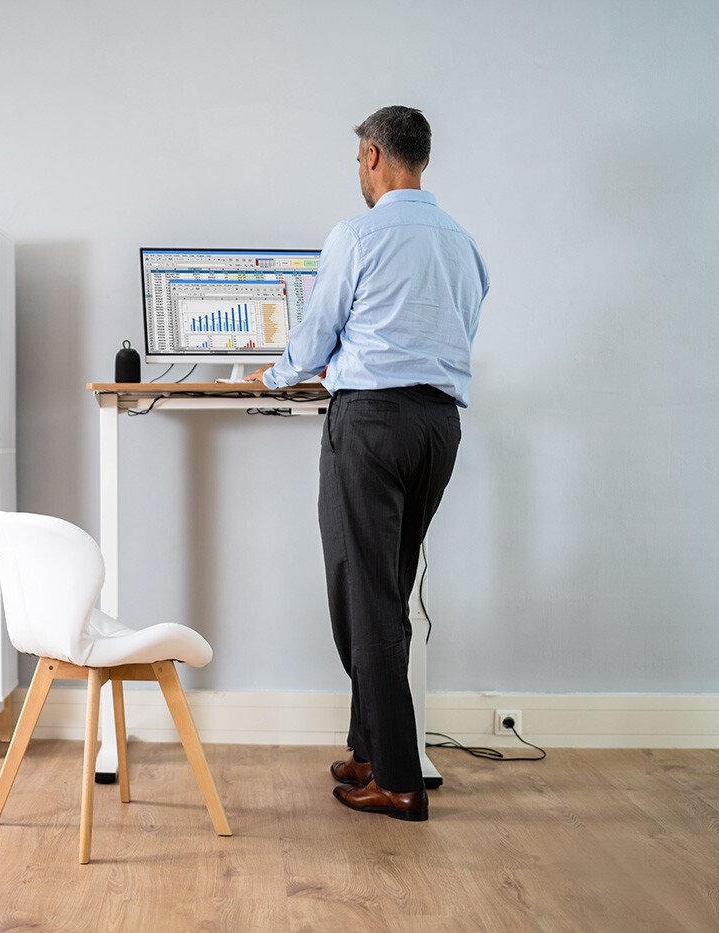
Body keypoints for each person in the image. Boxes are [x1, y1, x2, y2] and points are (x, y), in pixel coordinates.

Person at [247, 106, 489, 822]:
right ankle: (371, 745)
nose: (359, 170)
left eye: (359, 159)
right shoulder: (462, 242)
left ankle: (397, 778)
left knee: (365, 594)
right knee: (389, 584)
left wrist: (266, 377)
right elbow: (464, 326)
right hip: (437, 425)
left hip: (374, 423)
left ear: (376, 155)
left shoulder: (356, 234)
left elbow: (316, 336)